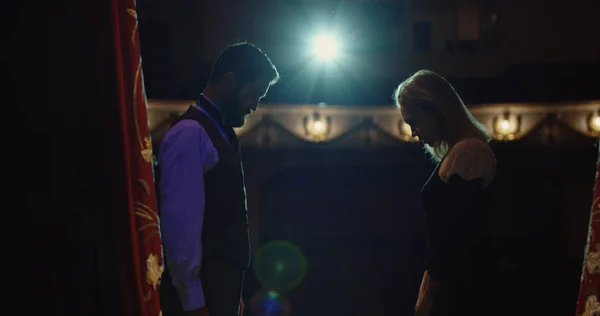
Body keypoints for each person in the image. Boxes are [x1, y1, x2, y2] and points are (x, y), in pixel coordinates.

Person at [157, 42, 280, 316]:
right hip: (198, 301)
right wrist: (193, 301)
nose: (255, 106)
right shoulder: (190, 133)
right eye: (254, 94)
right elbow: (180, 225)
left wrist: (231, 295)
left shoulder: (219, 132)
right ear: (230, 80)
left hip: (218, 293)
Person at [393, 70, 498, 316]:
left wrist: (427, 297)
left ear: (436, 110)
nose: (413, 132)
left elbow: (452, 239)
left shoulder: (468, 154)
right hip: (454, 286)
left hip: (462, 291)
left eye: (414, 122)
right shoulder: (459, 154)